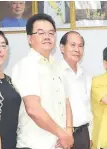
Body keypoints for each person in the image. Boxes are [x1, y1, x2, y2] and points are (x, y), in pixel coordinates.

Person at [12, 13, 73, 149]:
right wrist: (62, 134)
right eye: (40, 33)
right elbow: (33, 108)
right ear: (29, 39)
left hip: (60, 144)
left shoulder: (57, 66)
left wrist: (68, 130)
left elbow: (66, 102)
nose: (47, 37)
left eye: (51, 33)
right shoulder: (26, 65)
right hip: (35, 144)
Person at [58, 31, 92, 149]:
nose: (77, 49)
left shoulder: (86, 74)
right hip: (62, 135)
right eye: (72, 45)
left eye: (80, 45)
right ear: (62, 48)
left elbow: (88, 106)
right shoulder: (54, 72)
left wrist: (90, 136)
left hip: (83, 134)